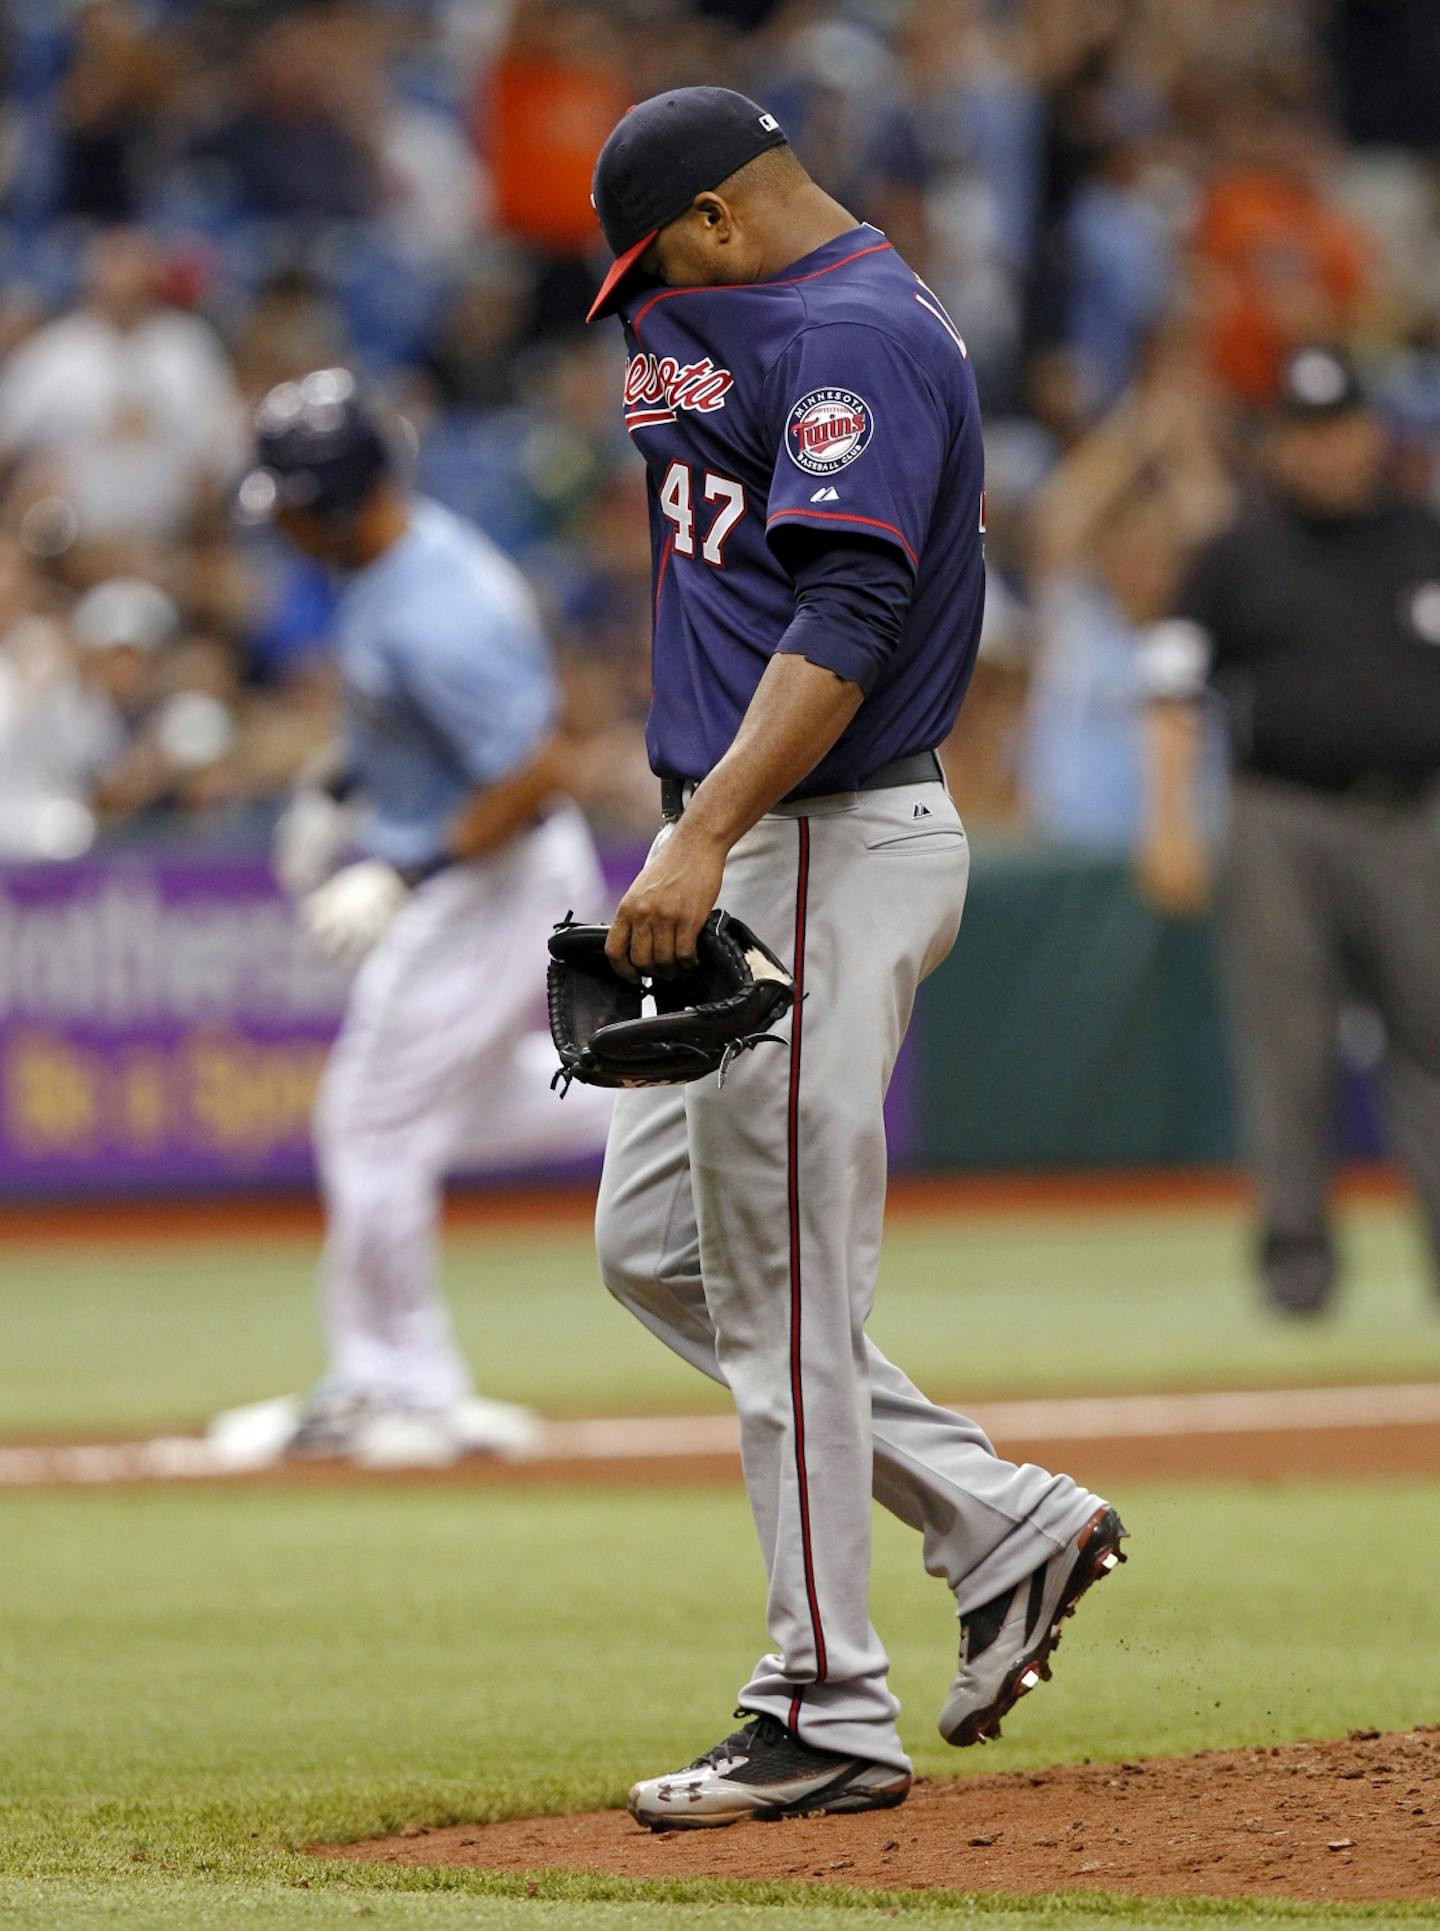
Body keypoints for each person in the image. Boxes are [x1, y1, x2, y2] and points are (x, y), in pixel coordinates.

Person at [585, 88, 1127, 1832]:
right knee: (662, 1248)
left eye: (659, 257)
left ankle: (824, 1701)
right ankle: (999, 1522)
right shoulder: (796, 318)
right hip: (774, 836)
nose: (647, 301)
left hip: (817, 835)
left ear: (727, 220)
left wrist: (702, 829)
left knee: (789, 1280)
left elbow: (850, 614)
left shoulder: (852, 335)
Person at [209, 370, 612, 1470]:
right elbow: (409, 723)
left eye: (290, 502)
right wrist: (342, 789)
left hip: (493, 873)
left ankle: (397, 1389)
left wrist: (404, 869)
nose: (279, 525)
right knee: (444, 1106)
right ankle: (690, 1098)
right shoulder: (390, 562)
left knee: (370, 1117)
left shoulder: (440, 604)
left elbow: (536, 768)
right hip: (482, 867)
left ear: (336, 500)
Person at [1139, 344, 1440, 1316]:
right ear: (1281, 443)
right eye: (1305, 433)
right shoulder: (1237, 550)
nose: (1325, 451)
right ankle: (1297, 1268)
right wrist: (1170, 821)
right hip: (1281, 815)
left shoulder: (1425, 537)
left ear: (1372, 431)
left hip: (1417, 818)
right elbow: (1172, 689)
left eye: (1339, 428)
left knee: (1434, 1046)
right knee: (1288, 1049)